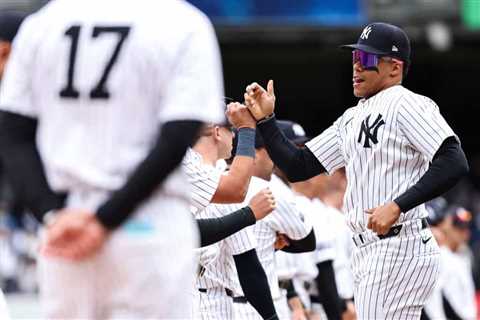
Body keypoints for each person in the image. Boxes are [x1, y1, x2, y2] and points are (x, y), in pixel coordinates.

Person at [0, 0, 225, 317]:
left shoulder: (42, 24)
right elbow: (179, 135)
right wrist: (105, 220)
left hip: (66, 224)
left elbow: (14, 134)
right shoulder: (183, 22)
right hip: (149, 219)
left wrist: (51, 213)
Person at [244, 22, 469, 319]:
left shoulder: (408, 103)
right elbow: (298, 166)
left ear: (394, 67)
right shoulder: (353, 117)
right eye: (355, 58)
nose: (357, 67)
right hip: (368, 249)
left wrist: (398, 205)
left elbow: (454, 160)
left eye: (367, 60)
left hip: (399, 244)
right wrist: (267, 121)